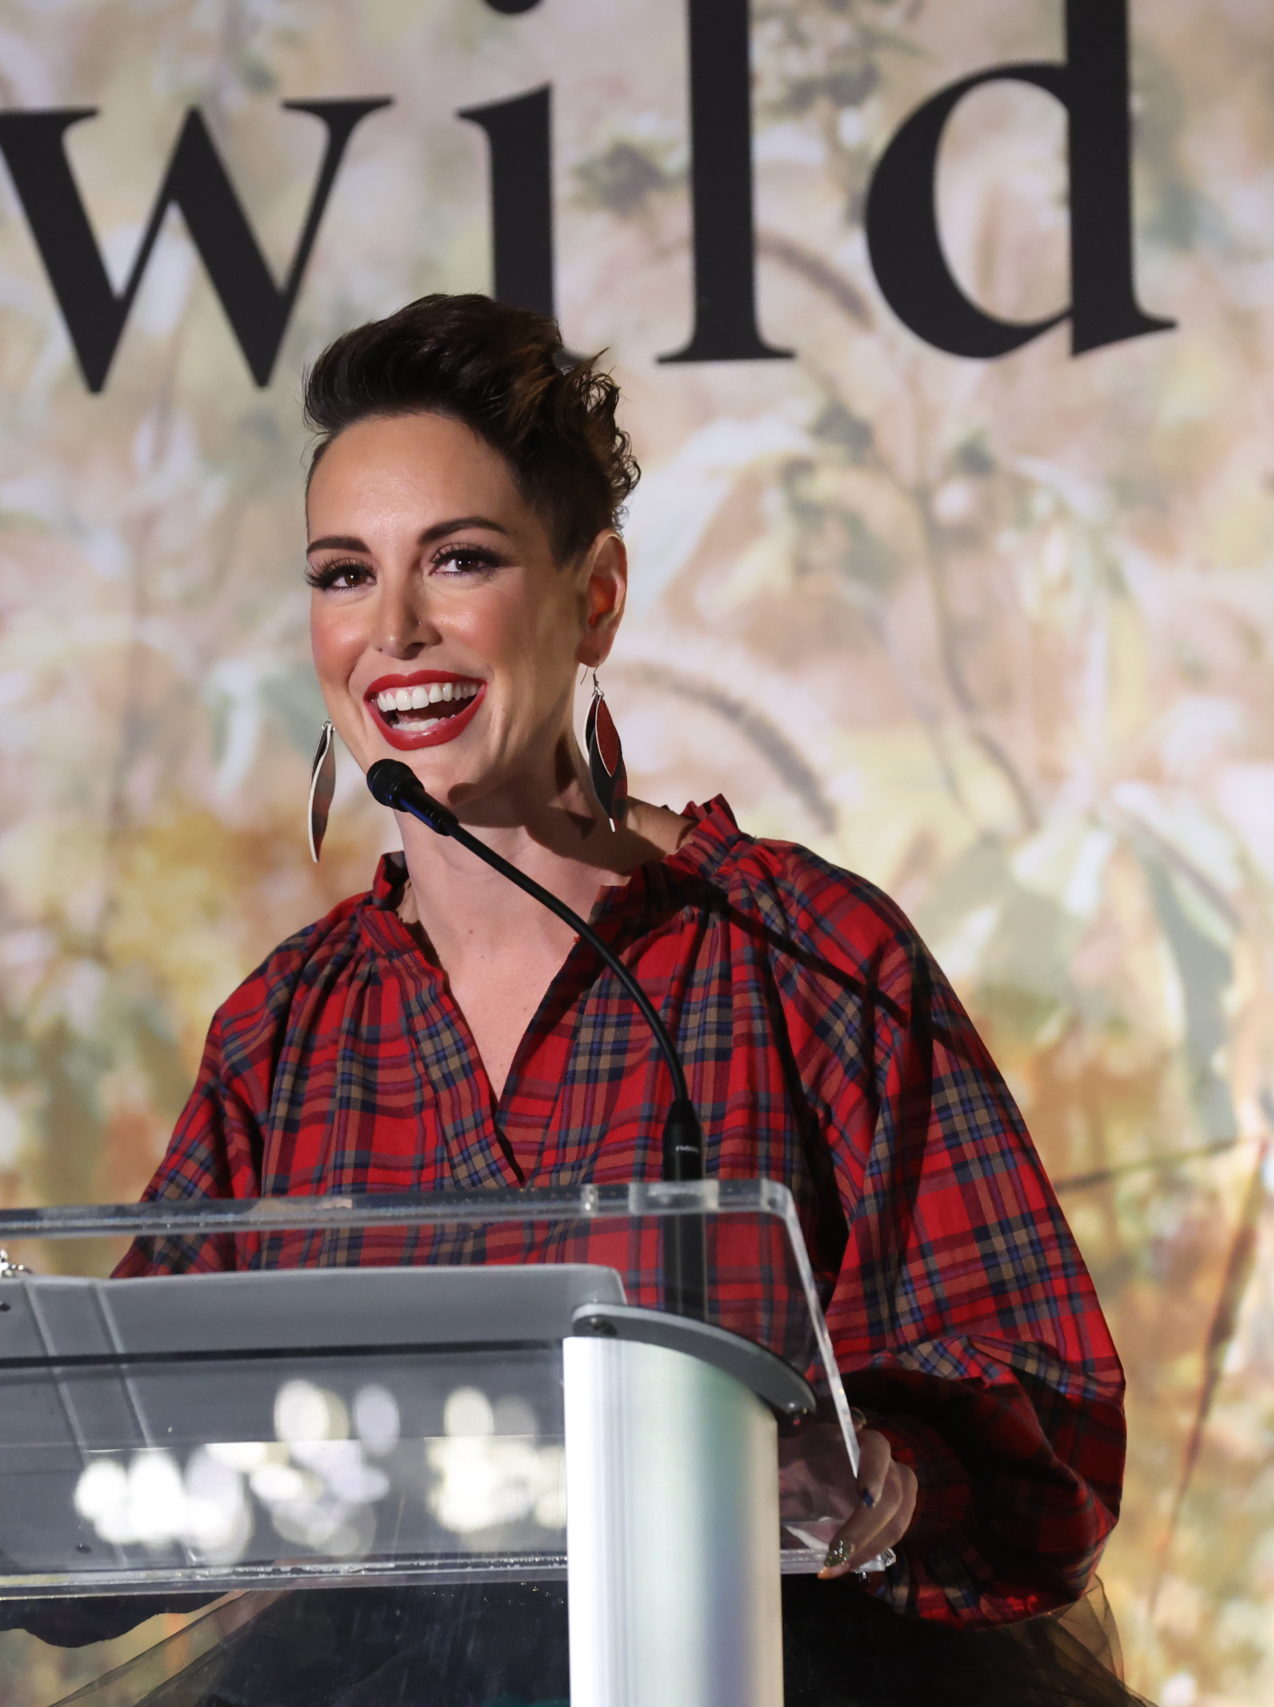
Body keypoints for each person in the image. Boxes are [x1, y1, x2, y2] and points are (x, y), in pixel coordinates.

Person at [104, 293, 1141, 1705]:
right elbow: (112, 1449)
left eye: (458, 561)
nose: (394, 629)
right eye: (343, 575)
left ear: (595, 596)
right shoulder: (287, 1032)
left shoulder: (800, 951)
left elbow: (1045, 1413)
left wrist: (878, 1473)